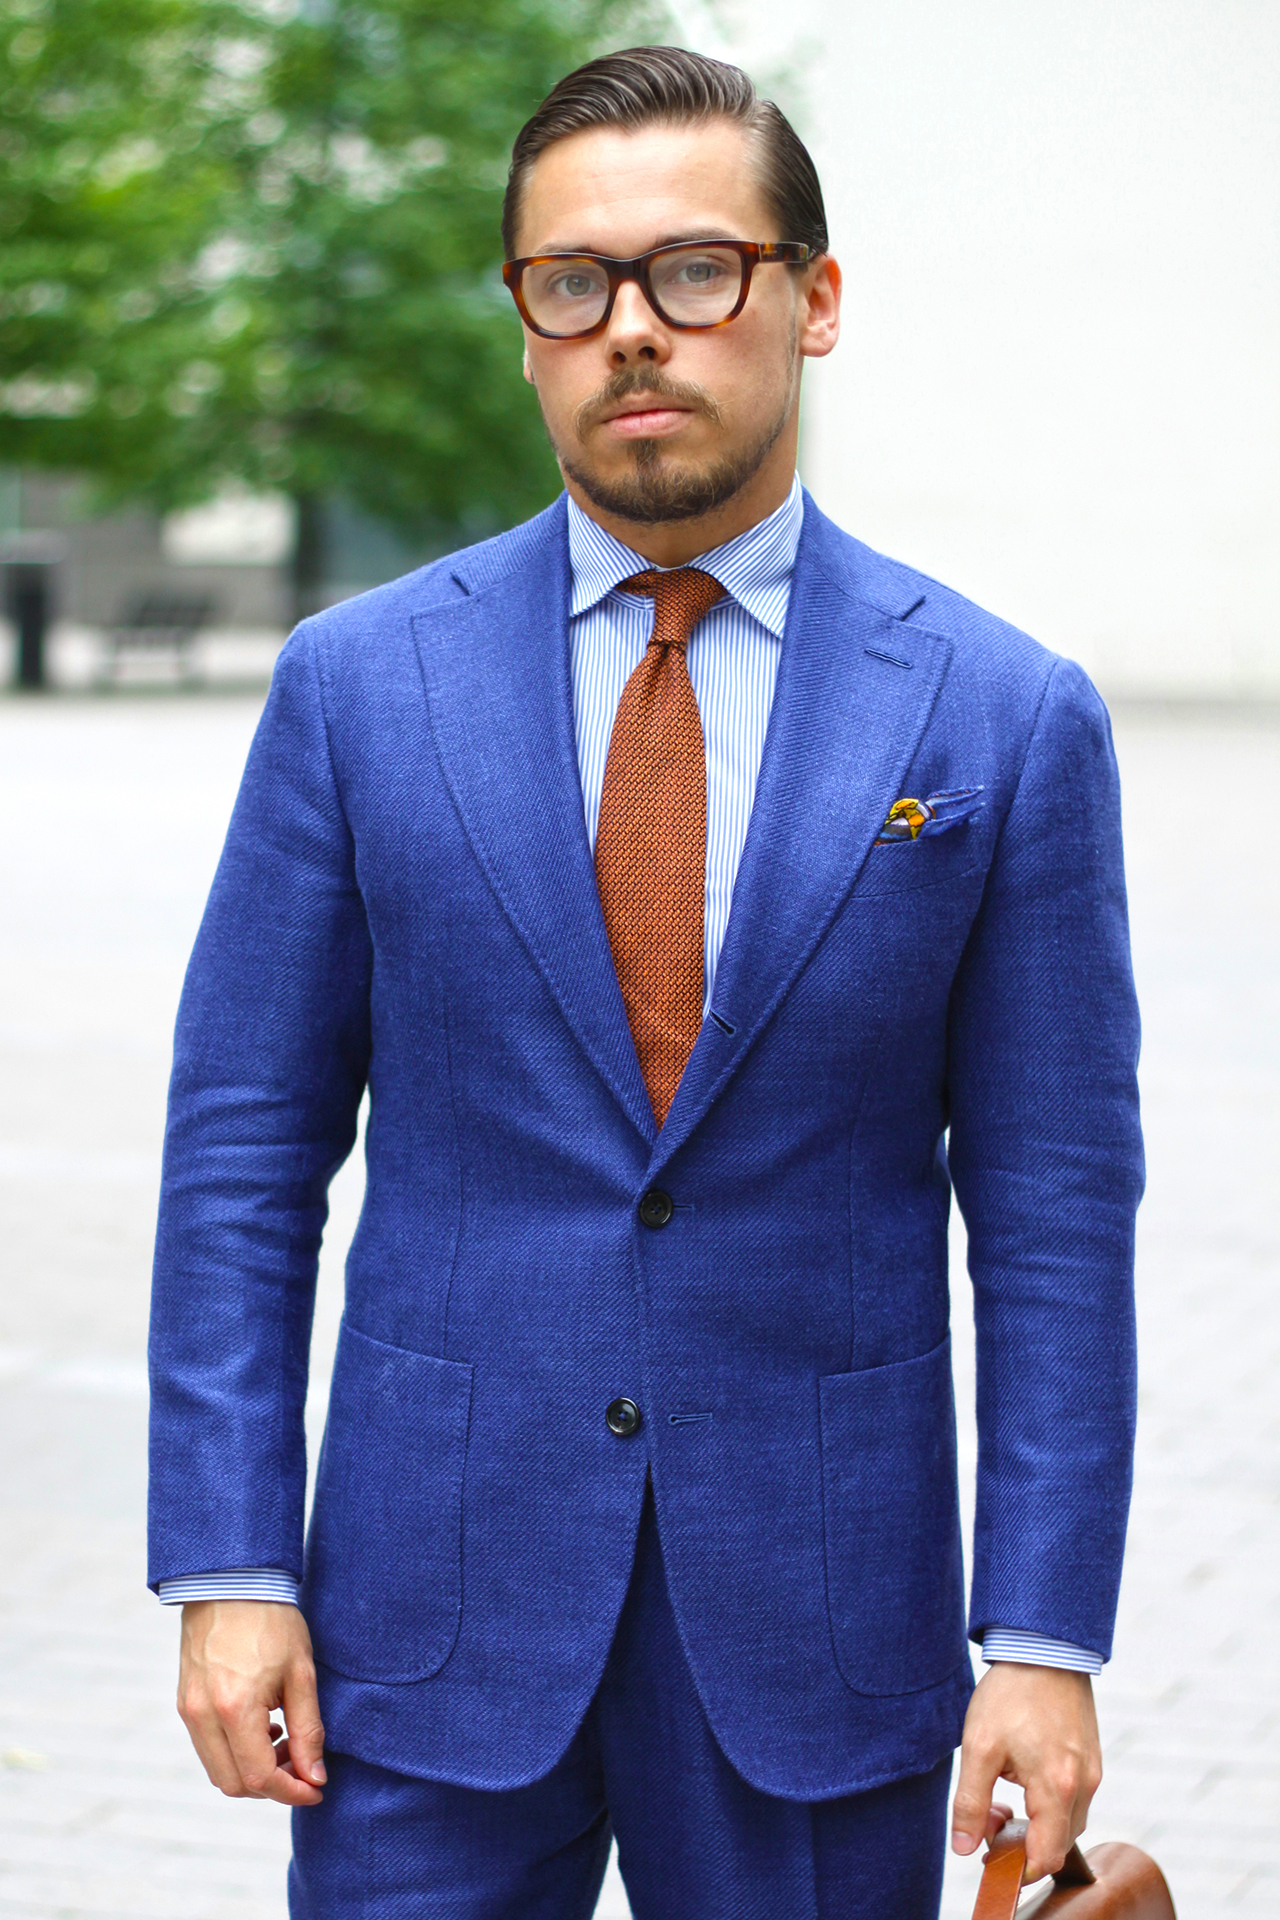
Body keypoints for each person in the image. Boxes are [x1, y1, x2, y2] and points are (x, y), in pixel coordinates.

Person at [148, 46, 1143, 1920]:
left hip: (822, 1632)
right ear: (525, 325)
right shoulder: (358, 689)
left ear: (811, 298)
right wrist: (229, 1570)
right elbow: (240, 1161)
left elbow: (1057, 1219)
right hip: (416, 1631)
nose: (633, 331)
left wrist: (1044, 1634)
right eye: (571, 283)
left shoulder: (1002, 717)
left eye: (696, 271)